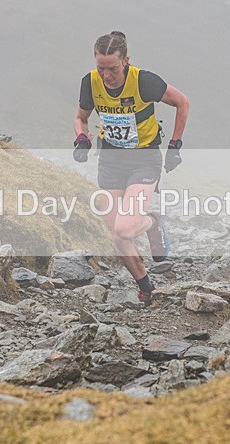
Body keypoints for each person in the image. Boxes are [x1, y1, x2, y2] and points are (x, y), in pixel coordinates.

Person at [73, 31, 189, 307]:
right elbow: (81, 117)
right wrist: (81, 137)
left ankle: (152, 222)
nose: (106, 76)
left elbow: (182, 102)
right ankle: (145, 286)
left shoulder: (144, 81)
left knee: (125, 229)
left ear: (126, 61)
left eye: (112, 69)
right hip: (111, 160)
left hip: (143, 159)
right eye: (100, 68)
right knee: (117, 234)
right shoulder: (90, 83)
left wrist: (175, 145)